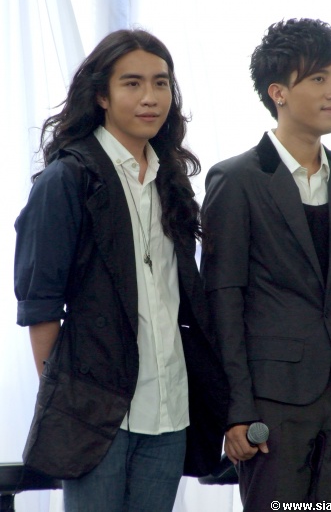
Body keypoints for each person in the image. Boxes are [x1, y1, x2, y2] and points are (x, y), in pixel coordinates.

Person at [14, 29, 228, 512]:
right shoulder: (68, 178)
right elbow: (41, 306)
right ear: (101, 96)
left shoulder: (171, 178)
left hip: (170, 409)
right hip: (97, 414)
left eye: (161, 83)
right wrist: (71, 404)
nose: (150, 97)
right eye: (132, 83)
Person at [200, 18, 331, 508]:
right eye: (319, 78)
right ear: (278, 92)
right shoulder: (236, 180)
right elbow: (224, 302)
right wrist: (235, 408)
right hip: (271, 400)